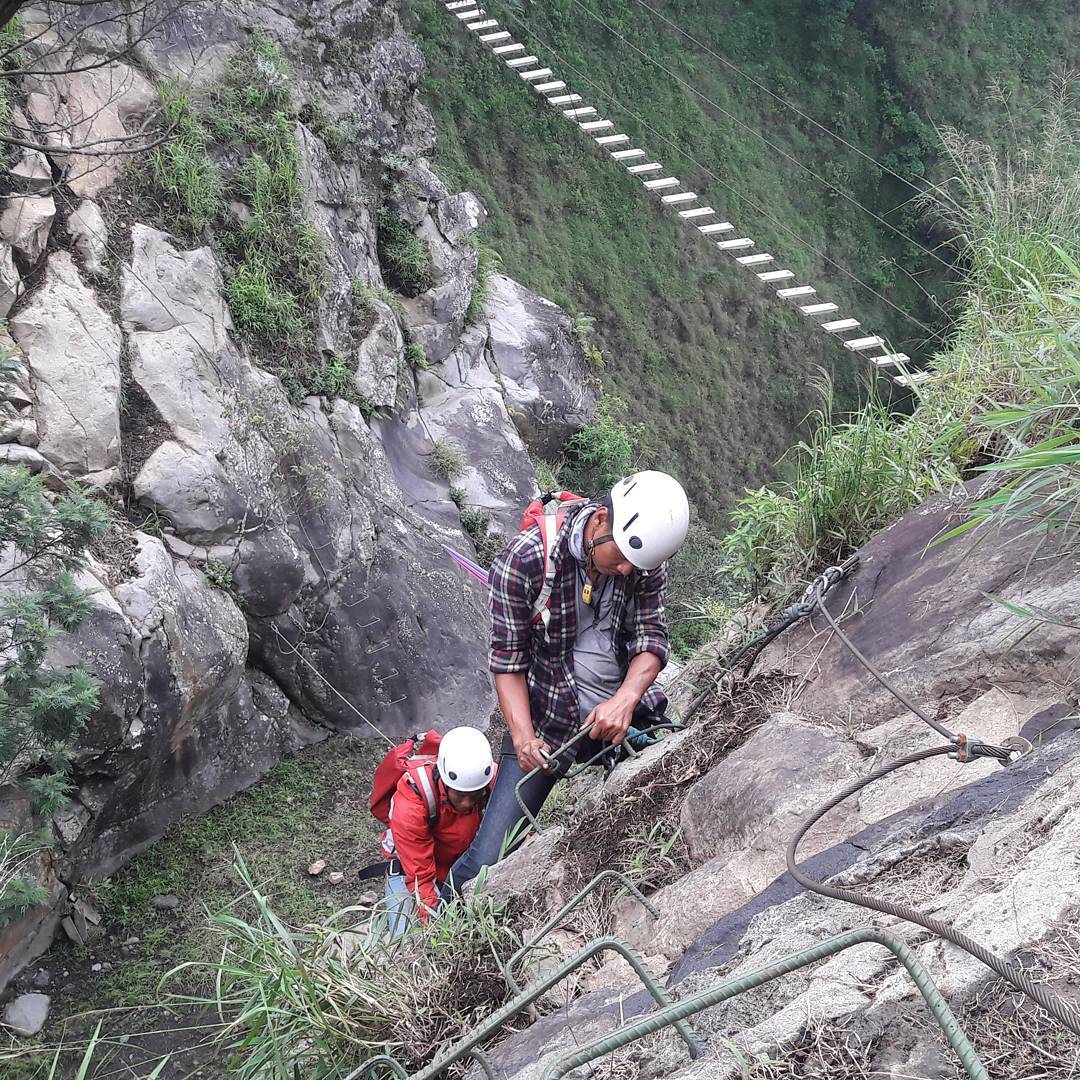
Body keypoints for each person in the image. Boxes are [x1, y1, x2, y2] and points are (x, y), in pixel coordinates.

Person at [444, 470, 689, 897]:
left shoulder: (644, 558)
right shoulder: (525, 561)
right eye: (622, 558)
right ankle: (442, 917)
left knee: (672, 785)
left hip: (618, 715)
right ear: (599, 521)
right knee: (488, 858)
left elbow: (651, 636)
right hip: (546, 724)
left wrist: (627, 699)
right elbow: (508, 660)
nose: (627, 569)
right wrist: (522, 738)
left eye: (637, 564)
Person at [380, 725, 495, 937]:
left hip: (458, 866)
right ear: (443, 779)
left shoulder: (486, 778)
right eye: (460, 795)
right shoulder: (411, 805)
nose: (467, 803)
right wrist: (437, 926)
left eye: (475, 794)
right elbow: (421, 877)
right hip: (410, 872)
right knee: (405, 942)